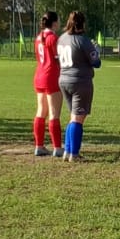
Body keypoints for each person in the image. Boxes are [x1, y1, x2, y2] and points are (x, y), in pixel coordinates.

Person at [56, 10, 101, 161]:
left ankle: (68, 151)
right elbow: (96, 62)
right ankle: (74, 154)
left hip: (63, 79)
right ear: (83, 24)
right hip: (79, 81)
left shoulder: (62, 38)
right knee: (78, 118)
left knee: (73, 116)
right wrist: (96, 51)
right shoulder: (83, 40)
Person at [32, 11, 65, 158]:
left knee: (41, 111)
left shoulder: (39, 37)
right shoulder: (53, 38)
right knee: (54, 113)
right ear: (54, 22)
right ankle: (57, 148)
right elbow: (58, 58)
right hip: (51, 76)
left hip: (39, 75)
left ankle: (39, 146)